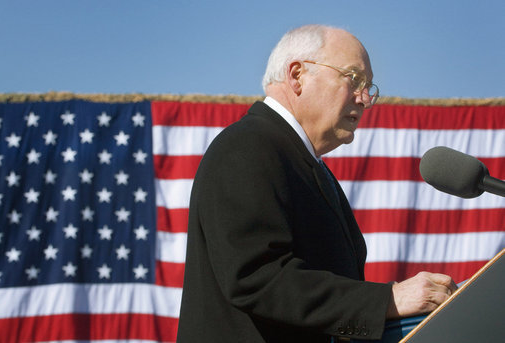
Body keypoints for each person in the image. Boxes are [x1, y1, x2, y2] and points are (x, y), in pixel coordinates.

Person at [176, 24, 457, 342]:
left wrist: (376, 321)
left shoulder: (306, 164)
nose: (364, 99)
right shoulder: (248, 146)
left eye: (368, 87)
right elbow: (255, 278)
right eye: (353, 79)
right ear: (297, 75)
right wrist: (387, 301)